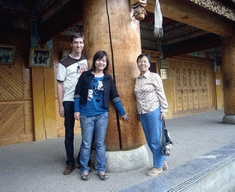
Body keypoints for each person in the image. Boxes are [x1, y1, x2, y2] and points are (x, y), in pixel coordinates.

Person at [74, 51, 130, 181]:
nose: (101, 63)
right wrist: (76, 110)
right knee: (86, 143)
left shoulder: (108, 79)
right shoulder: (85, 76)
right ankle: (84, 169)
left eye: (104, 61)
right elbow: (77, 94)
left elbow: (115, 97)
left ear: (106, 63)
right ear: (94, 61)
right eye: (99, 60)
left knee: (100, 143)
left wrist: (122, 112)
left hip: (102, 115)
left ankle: (101, 169)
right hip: (86, 115)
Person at [57, 32, 88, 175]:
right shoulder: (64, 62)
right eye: (76, 42)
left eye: (81, 42)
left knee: (87, 132)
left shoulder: (87, 59)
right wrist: (60, 104)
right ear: (71, 44)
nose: (79, 45)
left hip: (84, 100)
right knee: (69, 133)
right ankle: (70, 162)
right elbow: (59, 84)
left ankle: (83, 160)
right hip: (69, 100)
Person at [134, 53, 169, 176]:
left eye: (145, 61)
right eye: (140, 61)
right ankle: (163, 160)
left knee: (155, 140)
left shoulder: (154, 77)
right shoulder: (137, 79)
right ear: (137, 64)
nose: (142, 64)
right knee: (149, 140)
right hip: (142, 112)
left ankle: (158, 166)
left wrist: (163, 110)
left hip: (154, 111)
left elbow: (161, 93)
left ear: (149, 64)